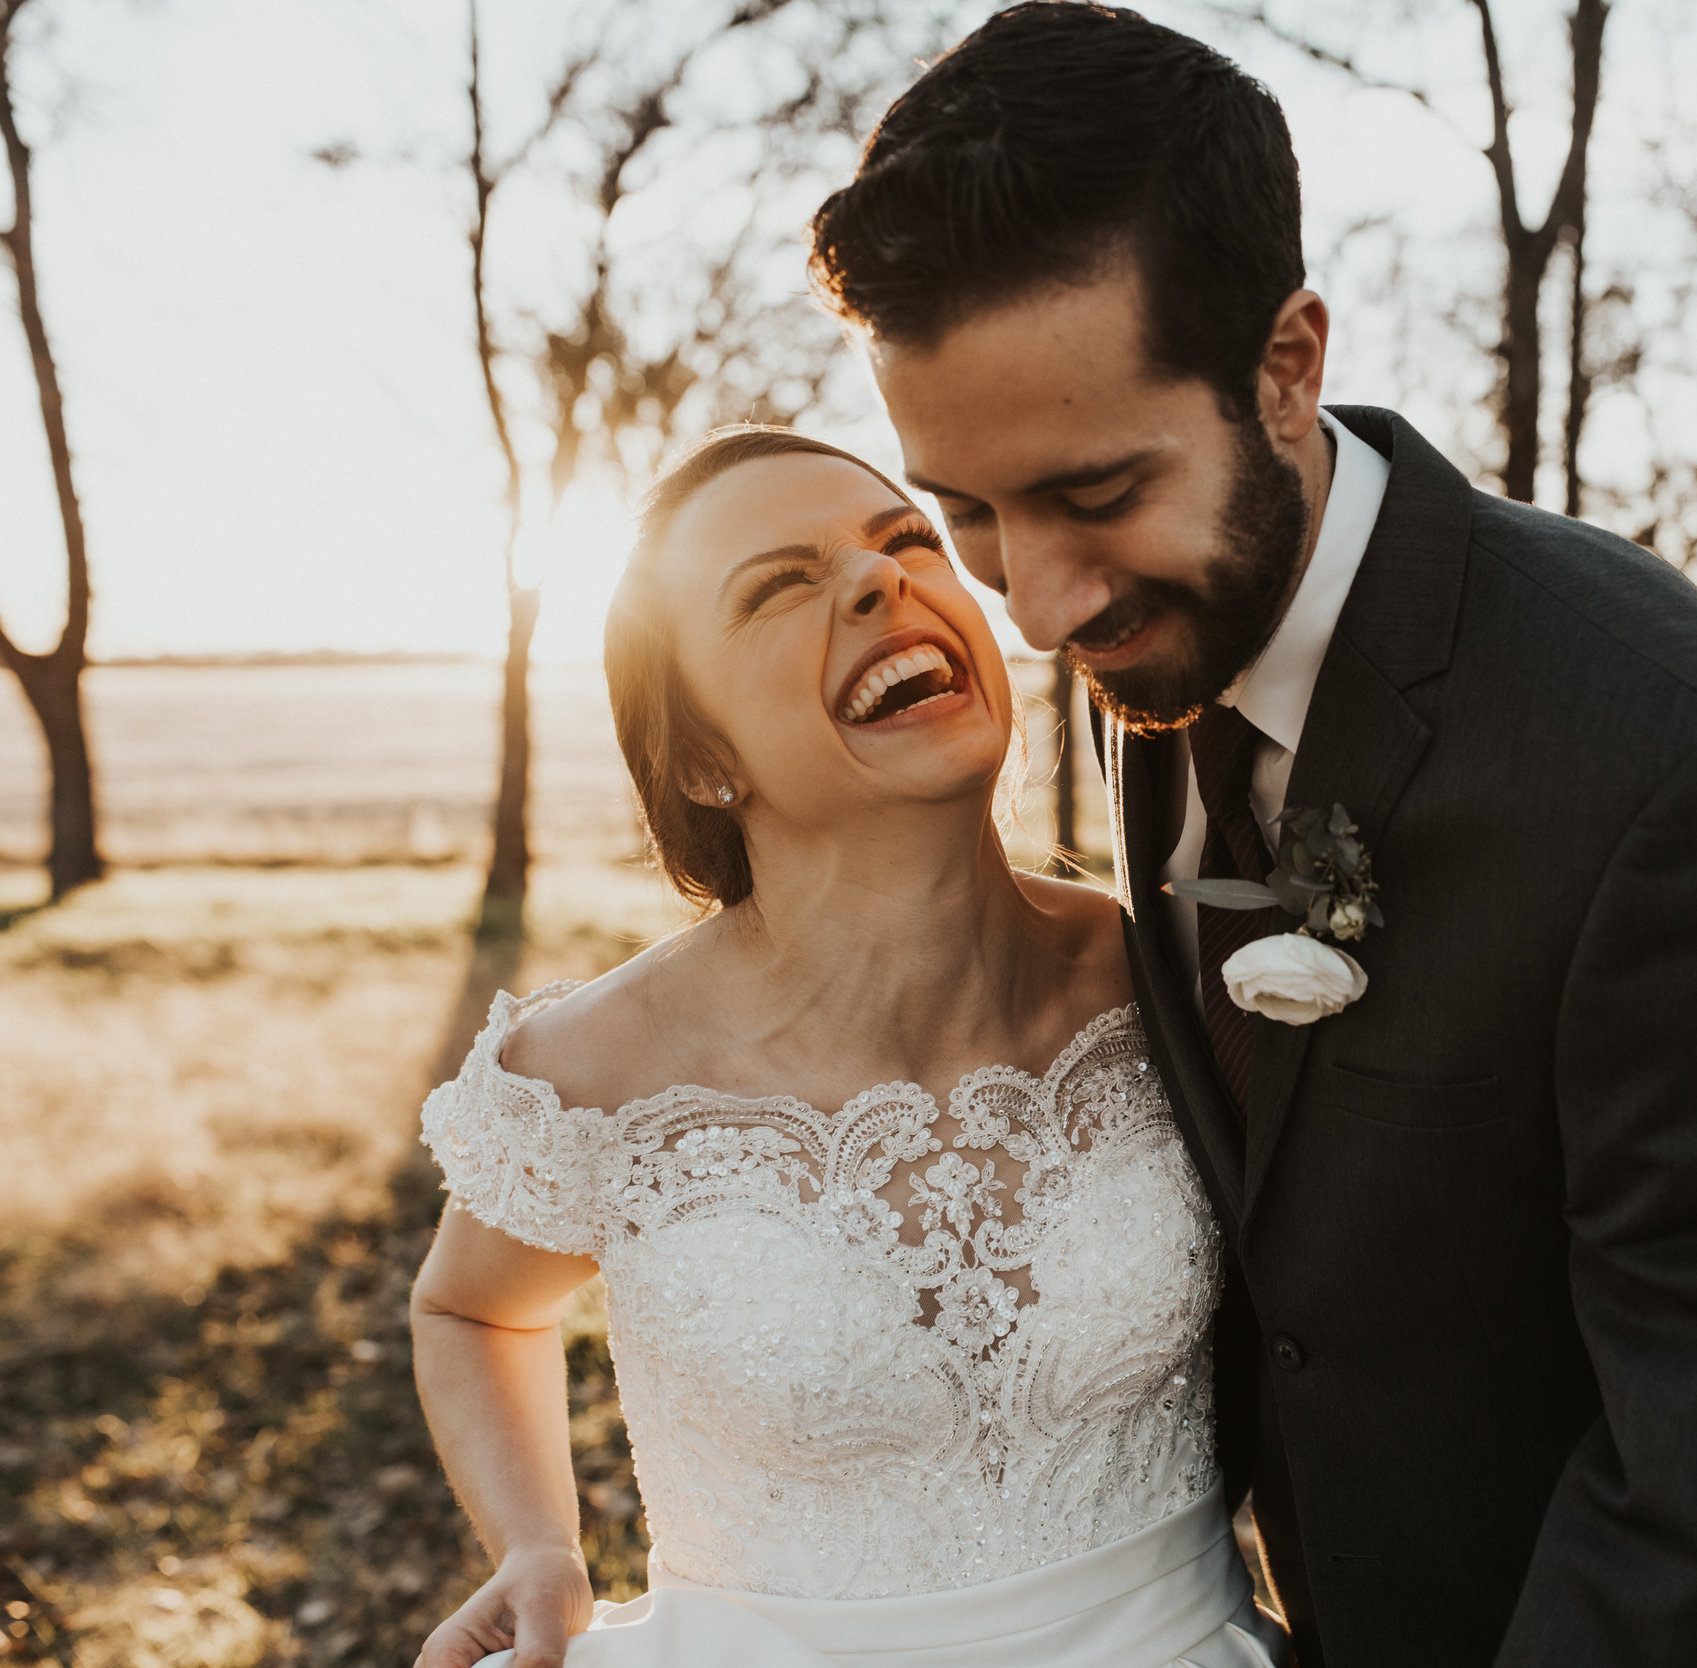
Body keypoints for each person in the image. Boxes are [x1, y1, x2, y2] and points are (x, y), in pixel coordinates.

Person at [807, 6, 1697, 1664]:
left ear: (1287, 367)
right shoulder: (1166, 635)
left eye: (1091, 492)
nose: (1044, 598)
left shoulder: (1671, 761)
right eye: (971, 512)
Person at [409, 427, 1286, 1668]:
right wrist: (535, 1542)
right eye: (778, 586)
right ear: (702, 759)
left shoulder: (1166, 973)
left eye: (906, 540)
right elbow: (467, 1309)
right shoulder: (588, 1076)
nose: (883, 584)